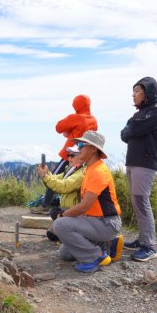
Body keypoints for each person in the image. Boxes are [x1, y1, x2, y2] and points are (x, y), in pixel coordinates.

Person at [51, 131, 123, 273]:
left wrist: (63, 216)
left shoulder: (98, 171)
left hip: (107, 223)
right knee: (65, 253)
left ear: (93, 149)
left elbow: (85, 206)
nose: (78, 148)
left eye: (81, 144)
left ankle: (96, 257)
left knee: (60, 224)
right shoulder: (90, 169)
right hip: (96, 221)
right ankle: (108, 244)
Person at [120, 77, 157, 262]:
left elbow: (132, 130)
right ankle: (142, 239)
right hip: (134, 161)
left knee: (141, 201)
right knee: (137, 201)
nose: (133, 94)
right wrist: (131, 128)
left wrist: (131, 128)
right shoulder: (140, 113)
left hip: (145, 163)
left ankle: (150, 246)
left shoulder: (156, 111)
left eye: (137, 90)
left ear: (148, 92)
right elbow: (124, 133)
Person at [32, 95, 97, 213]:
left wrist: (69, 129)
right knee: (76, 181)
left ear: (77, 105)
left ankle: (45, 205)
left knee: (56, 176)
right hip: (86, 155)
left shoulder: (76, 117)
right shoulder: (93, 120)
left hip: (71, 154)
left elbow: (59, 127)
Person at [36, 145, 85, 241]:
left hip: (75, 211)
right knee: (52, 231)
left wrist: (45, 177)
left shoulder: (81, 173)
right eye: (69, 155)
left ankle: (74, 234)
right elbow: (55, 179)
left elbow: (63, 186)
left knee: (55, 214)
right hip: (67, 209)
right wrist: (46, 173)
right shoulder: (71, 169)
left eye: (72, 155)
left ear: (82, 157)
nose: (69, 157)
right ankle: (68, 232)